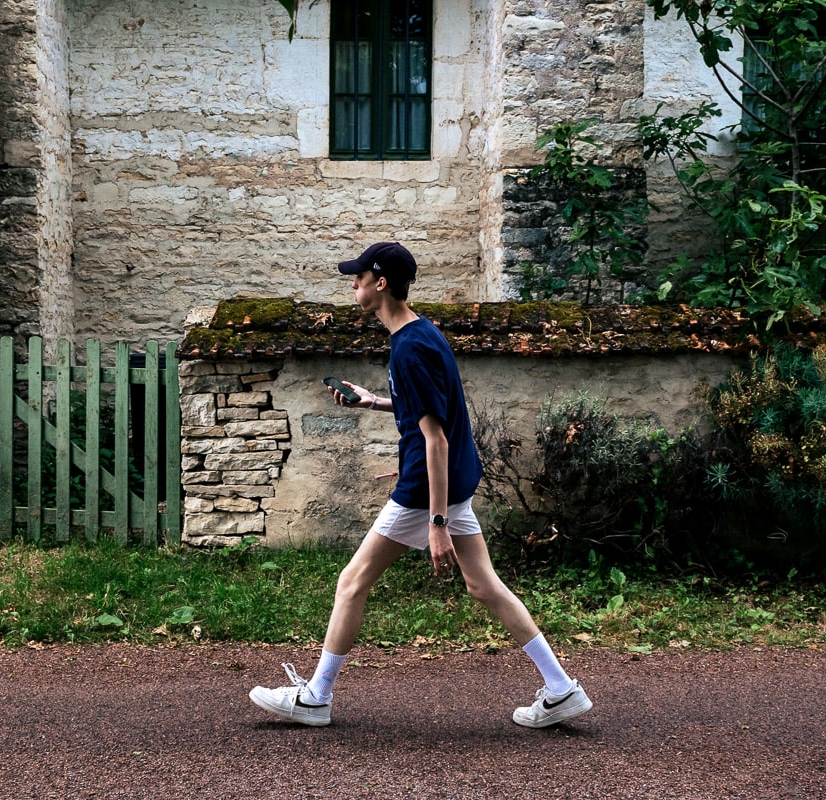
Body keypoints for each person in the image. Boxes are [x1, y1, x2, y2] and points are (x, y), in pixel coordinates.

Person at [248, 242, 592, 728]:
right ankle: (561, 689)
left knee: (351, 581)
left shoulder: (410, 348)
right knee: (484, 585)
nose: (354, 285)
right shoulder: (422, 334)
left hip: (424, 492)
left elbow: (435, 439)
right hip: (449, 487)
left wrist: (435, 524)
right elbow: (434, 412)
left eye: (359, 277)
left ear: (380, 282)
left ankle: (316, 697)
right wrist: (373, 403)